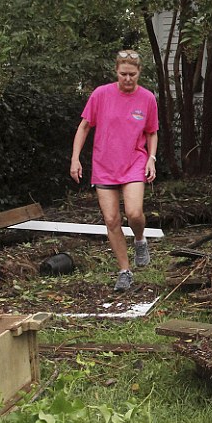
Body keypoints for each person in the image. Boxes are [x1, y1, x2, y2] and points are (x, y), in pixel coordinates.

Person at [70, 50, 159, 291]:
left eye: (132, 74)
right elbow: (85, 126)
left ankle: (140, 239)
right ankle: (125, 271)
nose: (128, 79)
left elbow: (151, 131)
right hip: (104, 165)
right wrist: (75, 158)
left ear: (139, 72)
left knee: (134, 212)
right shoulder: (101, 95)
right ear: (116, 72)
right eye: (123, 74)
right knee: (111, 220)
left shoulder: (147, 98)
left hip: (134, 162)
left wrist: (151, 158)